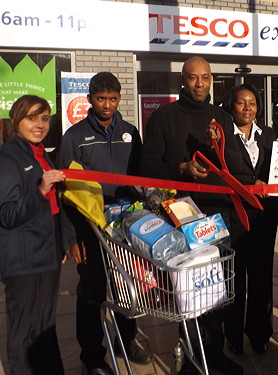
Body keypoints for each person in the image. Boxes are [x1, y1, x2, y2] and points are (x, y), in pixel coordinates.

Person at [140, 56, 244, 375]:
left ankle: (214, 354)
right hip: (181, 221)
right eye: (193, 77)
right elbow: (147, 168)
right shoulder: (163, 117)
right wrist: (181, 169)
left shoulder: (222, 118)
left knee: (216, 291)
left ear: (212, 80)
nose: (200, 83)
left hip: (219, 219)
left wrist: (221, 149)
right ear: (182, 81)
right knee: (188, 295)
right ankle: (190, 357)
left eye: (206, 77)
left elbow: (235, 165)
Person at [59, 72, 149, 375]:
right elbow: (66, 193)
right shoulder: (74, 137)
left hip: (125, 225)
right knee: (92, 293)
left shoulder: (130, 132)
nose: (107, 105)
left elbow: (140, 178)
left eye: (112, 99)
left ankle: (127, 340)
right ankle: (93, 357)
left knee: (128, 287)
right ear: (90, 99)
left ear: (119, 98)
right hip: (90, 228)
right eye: (101, 99)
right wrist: (71, 238)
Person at [0, 95, 66, 374]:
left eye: (44, 118)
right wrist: (40, 190)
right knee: (23, 329)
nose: (39, 125)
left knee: (45, 324)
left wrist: (60, 244)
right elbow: (8, 214)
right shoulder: (7, 157)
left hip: (47, 252)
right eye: (31, 118)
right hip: (22, 260)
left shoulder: (42, 152)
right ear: (17, 121)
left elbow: (53, 208)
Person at [221, 83, 277, 355]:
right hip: (233, 218)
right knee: (234, 279)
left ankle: (259, 334)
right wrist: (250, 182)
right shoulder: (221, 135)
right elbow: (220, 172)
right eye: (241, 102)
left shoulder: (269, 135)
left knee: (262, 279)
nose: (247, 108)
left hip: (263, 219)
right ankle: (232, 336)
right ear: (232, 104)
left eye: (252, 103)